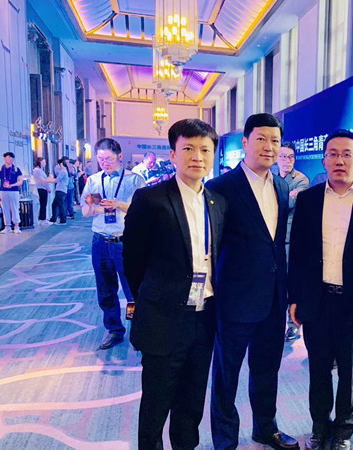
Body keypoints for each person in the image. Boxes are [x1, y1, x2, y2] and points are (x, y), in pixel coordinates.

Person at [124, 119, 226, 449]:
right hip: (163, 318)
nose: (197, 156)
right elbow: (133, 261)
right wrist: (152, 299)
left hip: (204, 316)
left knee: (192, 400)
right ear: (172, 154)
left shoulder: (217, 202)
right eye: (188, 148)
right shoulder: (150, 199)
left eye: (205, 150)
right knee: (156, 403)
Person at [288, 130, 353, 450]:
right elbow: (298, 253)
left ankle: (344, 431)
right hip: (316, 300)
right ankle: (319, 427)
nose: (340, 160)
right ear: (324, 160)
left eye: (347, 154)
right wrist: (295, 297)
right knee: (318, 370)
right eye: (333, 154)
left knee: (350, 373)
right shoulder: (308, 199)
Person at [206, 113, 297, 450]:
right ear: (245, 142)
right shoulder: (220, 188)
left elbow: (275, 243)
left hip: (273, 298)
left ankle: (265, 428)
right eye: (261, 139)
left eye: (275, 141)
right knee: (226, 375)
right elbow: (211, 245)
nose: (269, 147)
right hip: (234, 300)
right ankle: (225, 441)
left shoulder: (282, 186)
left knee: (267, 369)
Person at [81, 138, 145, 350]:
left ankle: (137, 329)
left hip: (125, 242)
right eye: (100, 159)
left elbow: (143, 211)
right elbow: (85, 212)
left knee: (132, 291)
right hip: (100, 241)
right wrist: (92, 207)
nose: (104, 163)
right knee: (106, 290)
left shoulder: (134, 180)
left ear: (119, 156)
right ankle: (114, 330)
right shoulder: (93, 180)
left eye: (108, 158)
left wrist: (118, 204)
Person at [275, 141, 310, 341]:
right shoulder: (271, 175)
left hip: (290, 238)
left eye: (290, 157)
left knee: (291, 282)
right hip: (272, 238)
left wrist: (279, 198)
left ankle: (293, 324)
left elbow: (288, 204)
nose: (286, 160)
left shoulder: (301, 180)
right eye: (282, 156)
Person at [0, 152, 24, 234]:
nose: (10, 160)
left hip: (14, 191)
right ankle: (7, 226)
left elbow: (21, 181)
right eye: (8, 158)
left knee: (14, 208)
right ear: (4, 158)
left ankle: (16, 226)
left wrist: (11, 185)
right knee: (5, 209)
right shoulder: (0, 169)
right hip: (3, 191)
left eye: (12, 158)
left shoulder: (16, 169)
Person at [32, 157, 55, 225]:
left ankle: (43, 218)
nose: (45, 163)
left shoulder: (40, 170)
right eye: (44, 162)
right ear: (40, 162)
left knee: (44, 204)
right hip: (41, 188)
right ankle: (43, 219)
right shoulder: (37, 170)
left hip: (43, 188)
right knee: (43, 203)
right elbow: (42, 180)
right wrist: (48, 188)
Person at [49, 159, 69, 225]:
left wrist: (47, 180)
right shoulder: (63, 171)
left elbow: (57, 180)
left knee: (60, 205)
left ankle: (62, 220)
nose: (58, 166)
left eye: (59, 164)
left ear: (61, 164)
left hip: (61, 190)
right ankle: (54, 218)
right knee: (55, 204)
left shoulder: (63, 171)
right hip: (61, 190)